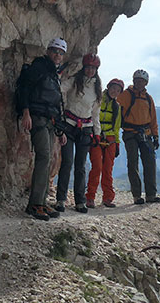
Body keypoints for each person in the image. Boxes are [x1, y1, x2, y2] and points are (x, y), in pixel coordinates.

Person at [17, 38, 69, 221]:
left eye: (61, 53)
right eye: (55, 51)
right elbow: (25, 89)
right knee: (44, 156)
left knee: (49, 159)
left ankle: (41, 201)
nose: (58, 55)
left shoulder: (53, 73)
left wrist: (60, 130)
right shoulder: (39, 67)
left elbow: (56, 103)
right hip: (37, 117)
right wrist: (26, 112)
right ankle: (35, 204)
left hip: (48, 120)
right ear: (48, 51)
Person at [55, 53, 102, 213]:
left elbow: (95, 113)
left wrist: (97, 133)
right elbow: (60, 88)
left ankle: (80, 201)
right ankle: (60, 199)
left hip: (86, 128)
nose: (90, 71)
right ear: (84, 67)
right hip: (69, 125)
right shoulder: (75, 81)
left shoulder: (96, 89)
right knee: (67, 162)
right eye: (88, 67)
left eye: (93, 68)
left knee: (80, 166)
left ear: (96, 70)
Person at [116, 69, 160, 204]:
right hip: (130, 133)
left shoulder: (148, 98)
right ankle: (137, 195)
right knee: (133, 163)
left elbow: (153, 118)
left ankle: (151, 195)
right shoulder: (125, 95)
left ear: (146, 83)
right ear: (133, 81)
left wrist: (156, 135)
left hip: (145, 133)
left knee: (150, 163)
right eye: (137, 80)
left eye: (142, 81)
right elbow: (116, 109)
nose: (139, 83)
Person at [86, 78, 124, 208]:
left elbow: (117, 126)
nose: (115, 91)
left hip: (110, 138)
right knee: (97, 167)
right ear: (108, 87)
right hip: (96, 136)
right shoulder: (98, 100)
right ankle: (90, 197)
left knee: (108, 169)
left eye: (118, 90)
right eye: (113, 88)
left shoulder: (117, 107)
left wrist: (117, 143)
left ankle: (108, 198)